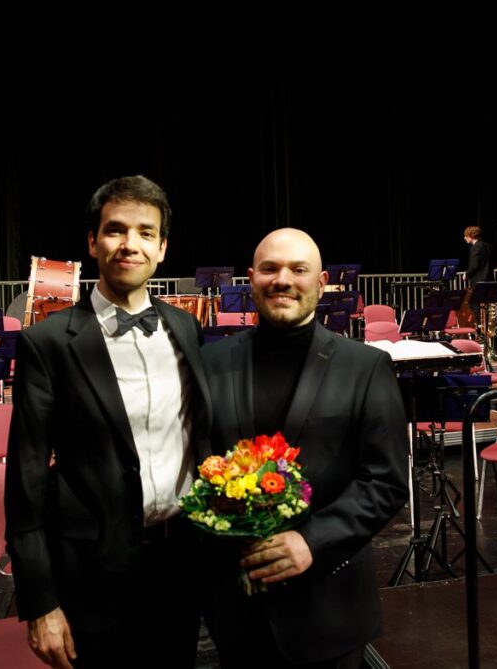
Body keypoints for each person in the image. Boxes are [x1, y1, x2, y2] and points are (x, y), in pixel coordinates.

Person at [4, 175, 211, 669]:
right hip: (92, 570)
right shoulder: (48, 342)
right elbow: (26, 481)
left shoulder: (185, 327)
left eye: (145, 233)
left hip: (180, 557)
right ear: (93, 241)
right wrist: (41, 604)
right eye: (116, 230)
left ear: (162, 248)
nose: (129, 245)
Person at [201, 228, 408, 668]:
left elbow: (385, 482)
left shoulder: (366, 367)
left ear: (322, 280)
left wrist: (312, 541)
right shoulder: (210, 362)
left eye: (299, 269)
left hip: (330, 610)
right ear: (251, 277)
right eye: (270, 268)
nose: (283, 280)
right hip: (236, 614)